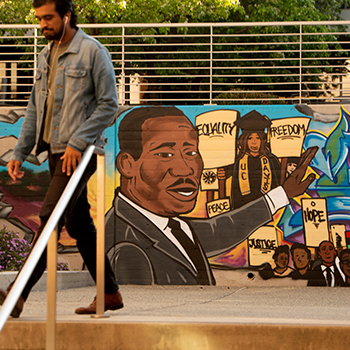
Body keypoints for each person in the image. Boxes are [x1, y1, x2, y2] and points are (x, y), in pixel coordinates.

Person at [0, 0, 122, 317]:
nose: (43, 24)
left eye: (49, 18)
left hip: (79, 155)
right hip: (54, 153)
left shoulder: (94, 52)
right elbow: (34, 109)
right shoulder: (45, 55)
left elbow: (109, 105)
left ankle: (17, 294)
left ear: (67, 16)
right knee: (80, 226)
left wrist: (78, 141)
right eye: (39, 19)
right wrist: (20, 152)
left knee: (50, 218)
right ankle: (109, 292)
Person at [105, 106, 318, 285]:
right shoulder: (128, 249)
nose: (186, 169)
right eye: (165, 154)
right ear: (127, 165)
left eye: (191, 152)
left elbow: (224, 228)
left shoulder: (170, 226)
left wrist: (283, 193)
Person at [229, 110, 281, 209]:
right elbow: (234, 190)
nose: (254, 142)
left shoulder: (271, 160)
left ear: (263, 140)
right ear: (244, 140)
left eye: (257, 138)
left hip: (268, 208)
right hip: (243, 209)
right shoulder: (238, 160)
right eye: (250, 138)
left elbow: (277, 184)